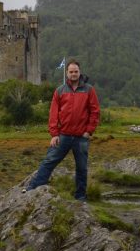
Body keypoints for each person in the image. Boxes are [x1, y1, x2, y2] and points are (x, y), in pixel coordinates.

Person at [25, 60, 100, 200]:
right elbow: (53, 114)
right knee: (49, 161)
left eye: (76, 71)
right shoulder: (60, 90)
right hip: (63, 135)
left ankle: (80, 197)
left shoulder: (89, 90)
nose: (73, 74)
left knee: (82, 168)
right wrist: (54, 134)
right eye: (71, 72)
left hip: (81, 137)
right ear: (67, 73)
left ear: (80, 72)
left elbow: (95, 112)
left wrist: (89, 131)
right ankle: (33, 188)